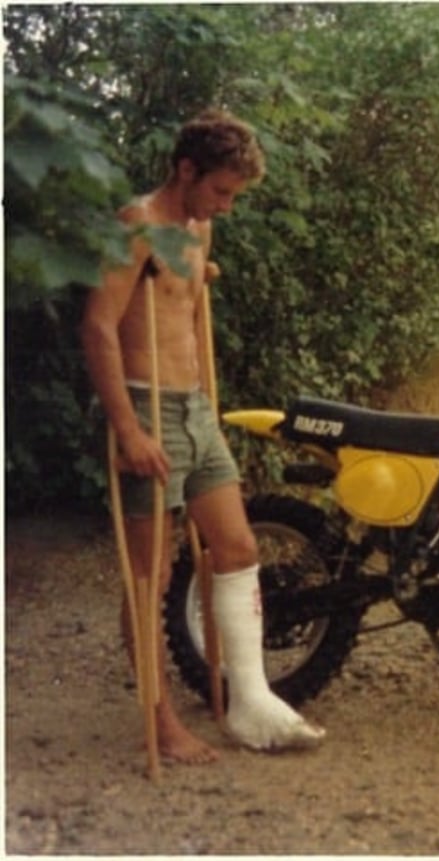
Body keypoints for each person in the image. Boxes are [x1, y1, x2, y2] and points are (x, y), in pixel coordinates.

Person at [81, 109, 325, 763]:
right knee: (150, 574)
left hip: (196, 409)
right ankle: (159, 722)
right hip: (147, 408)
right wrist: (128, 429)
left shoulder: (200, 228)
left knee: (239, 544)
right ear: (185, 169)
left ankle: (249, 701)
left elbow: (176, 304)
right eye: (221, 190)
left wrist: (196, 278)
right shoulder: (138, 225)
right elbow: (100, 325)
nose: (226, 205)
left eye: (233, 195)